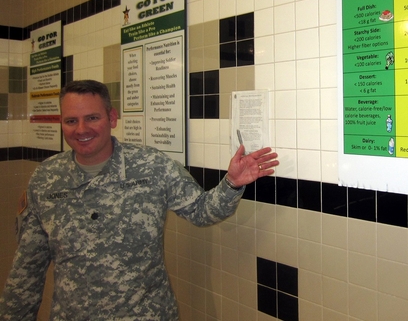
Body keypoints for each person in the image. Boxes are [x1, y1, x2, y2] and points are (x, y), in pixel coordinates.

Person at [0, 80, 278, 320]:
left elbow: (201, 211)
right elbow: (28, 266)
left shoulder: (151, 165)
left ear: (112, 118)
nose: (81, 129)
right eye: (71, 120)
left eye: (92, 118)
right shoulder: (46, 179)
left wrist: (231, 183)